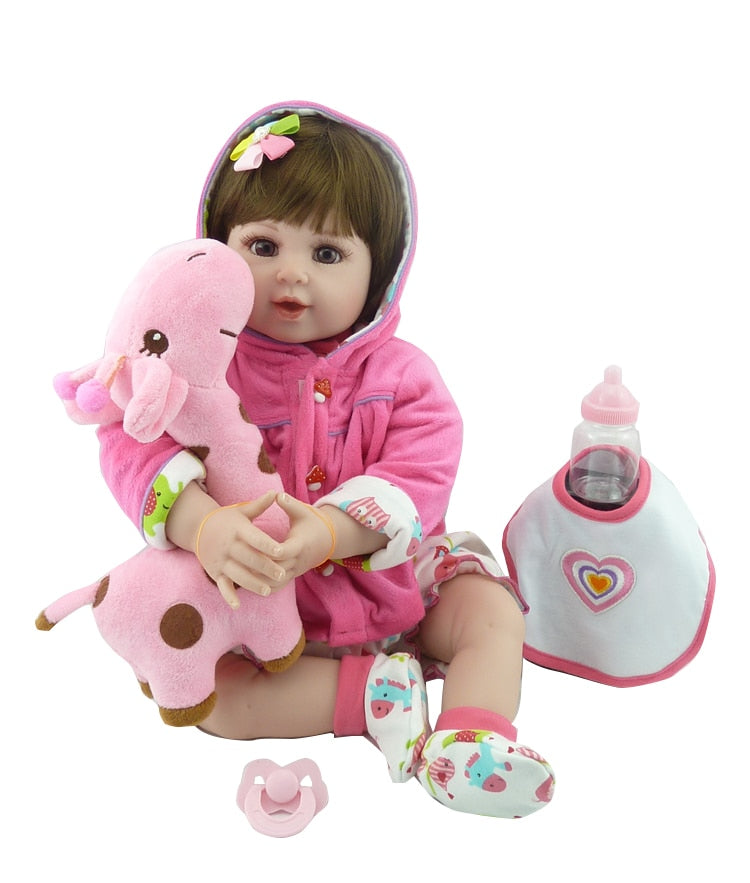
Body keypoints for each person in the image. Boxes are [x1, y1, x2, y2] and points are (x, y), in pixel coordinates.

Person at [97, 101, 554, 818]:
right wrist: (202, 525)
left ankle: (472, 739)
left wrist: (335, 530)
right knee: (212, 701)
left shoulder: (404, 377)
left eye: (328, 254)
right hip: (258, 607)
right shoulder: (199, 370)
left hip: (397, 591)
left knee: (489, 611)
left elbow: (422, 473)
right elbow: (130, 441)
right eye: (263, 246)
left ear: (382, 274)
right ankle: (375, 696)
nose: (292, 276)